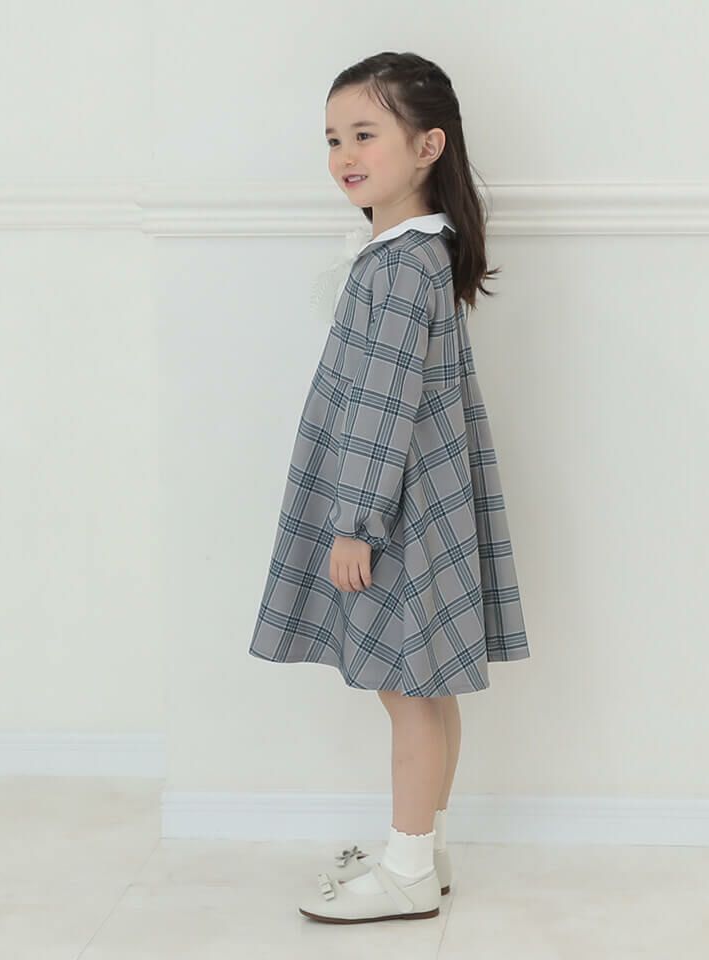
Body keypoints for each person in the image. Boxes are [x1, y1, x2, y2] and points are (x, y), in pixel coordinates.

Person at [248, 51, 531, 923]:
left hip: (395, 509)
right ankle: (423, 851)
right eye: (334, 138)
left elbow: (382, 405)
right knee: (424, 684)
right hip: (419, 501)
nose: (344, 155)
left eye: (365, 134)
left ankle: (408, 869)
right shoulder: (410, 255)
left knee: (405, 689)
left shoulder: (402, 267)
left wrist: (355, 524)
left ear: (427, 145)